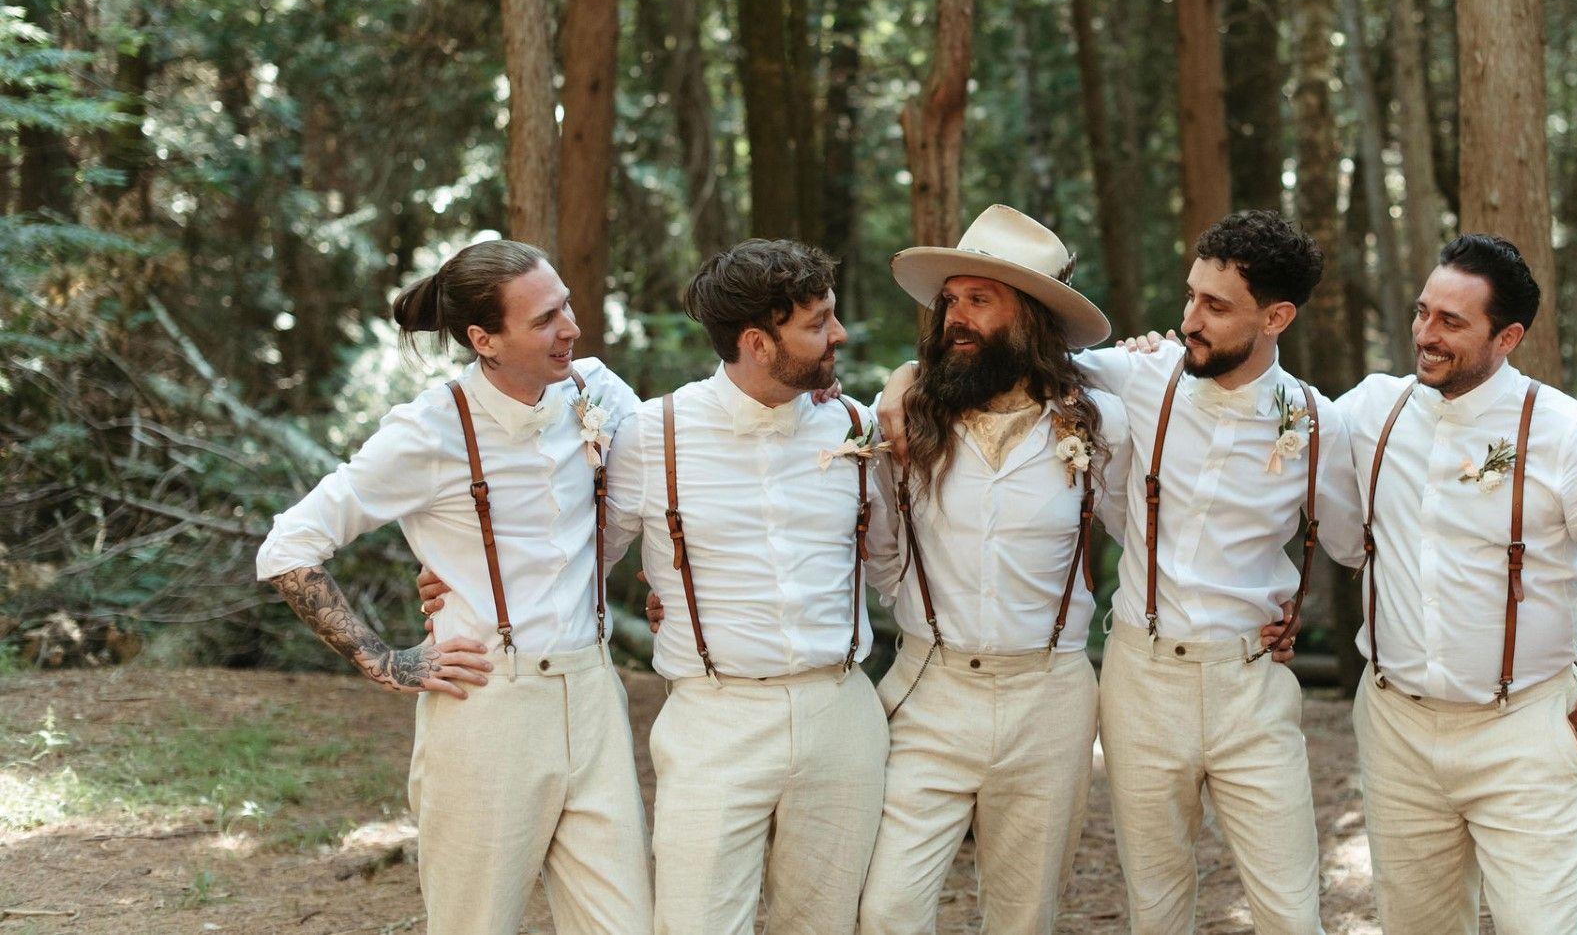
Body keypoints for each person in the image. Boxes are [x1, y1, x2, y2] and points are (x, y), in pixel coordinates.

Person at [256, 238, 651, 935]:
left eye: (565, 306)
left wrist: (820, 395)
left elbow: (681, 459)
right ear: (484, 340)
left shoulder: (599, 392)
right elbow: (288, 545)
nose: (571, 328)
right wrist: (383, 659)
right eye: (544, 319)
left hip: (594, 694)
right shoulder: (429, 431)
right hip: (488, 707)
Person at [1324, 234, 1577, 934]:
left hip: (1523, 734)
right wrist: (1155, 364)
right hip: (1396, 730)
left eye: (1451, 322)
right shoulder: (1372, 411)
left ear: (1508, 337)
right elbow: (1270, 424)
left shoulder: (1570, 437)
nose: (1425, 334)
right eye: (1422, 312)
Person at [1074, 210, 1355, 935]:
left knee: (1291, 911)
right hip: (1140, 681)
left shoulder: (1317, 422)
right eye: (1191, 295)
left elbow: (1354, 543)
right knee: (1157, 907)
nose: (1188, 319)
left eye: (1216, 306)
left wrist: (1295, 607)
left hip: (1251, 686)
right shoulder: (1141, 377)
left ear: (1276, 318)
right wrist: (907, 380)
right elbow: (1018, 362)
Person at [857, 205, 1130, 935]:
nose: (956, 317)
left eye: (980, 300)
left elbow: (1140, 530)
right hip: (929, 688)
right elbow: (881, 546)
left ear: (1030, 318)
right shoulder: (907, 417)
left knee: (1022, 916)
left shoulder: (1099, 424)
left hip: (1049, 699)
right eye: (952, 299)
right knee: (885, 911)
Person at [615, 238, 888, 935]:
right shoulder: (652, 434)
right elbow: (577, 558)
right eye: (818, 323)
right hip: (715, 718)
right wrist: (452, 575)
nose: (839, 334)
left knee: (824, 924)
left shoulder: (856, 426)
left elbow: (898, 556)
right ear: (758, 343)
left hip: (841, 712)